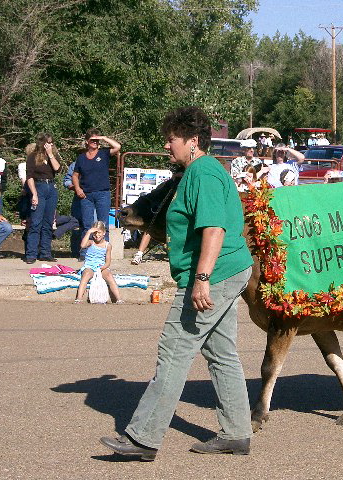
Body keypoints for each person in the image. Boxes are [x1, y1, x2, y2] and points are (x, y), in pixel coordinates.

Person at [100, 106, 254, 460]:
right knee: (221, 353)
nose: (168, 146)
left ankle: (143, 438)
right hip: (227, 271)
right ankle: (236, 433)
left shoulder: (203, 173)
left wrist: (201, 279)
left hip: (215, 274)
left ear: (194, 141)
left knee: (174, 350)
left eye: (172, 140)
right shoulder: (200, 172)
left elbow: (213, 229)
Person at [72, 128, 121, 257]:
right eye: (92, 140)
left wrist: (104, 138)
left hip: (102, 193)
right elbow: (75, 175)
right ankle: (86, 253)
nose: (95, 142)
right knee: (87, 224)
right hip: (86, 195)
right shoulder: (81, 158)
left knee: (103, 223)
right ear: (87, 141)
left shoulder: (104, 153)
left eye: (97, 140)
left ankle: (104, 253)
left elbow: (117, 146)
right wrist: (78, 189)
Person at [24, 134, 62, 264]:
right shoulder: (32, 157)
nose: (49, 145)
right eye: (47, 143)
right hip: (38, 186)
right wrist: (34, 194)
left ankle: (45, 253)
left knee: (48, 222)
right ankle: (31, 254)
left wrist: (51, 154)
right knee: (36, 222)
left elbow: (57, 168)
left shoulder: (52, 156)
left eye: (51, 143)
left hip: (51, 187)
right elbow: (29, 177)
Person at [74, 221, 122, 304]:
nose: (97, 235)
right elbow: (82, 245)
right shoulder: (91, 242)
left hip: (101, 266)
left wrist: (102, 268)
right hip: (89, 265)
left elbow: (108, 262)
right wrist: (88, 232)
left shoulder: (107, 245)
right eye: (94, 233)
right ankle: (79, 298)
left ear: (104, 233)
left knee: (109, 276)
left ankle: (119, 299)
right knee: (86, 275)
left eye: (99, 233)